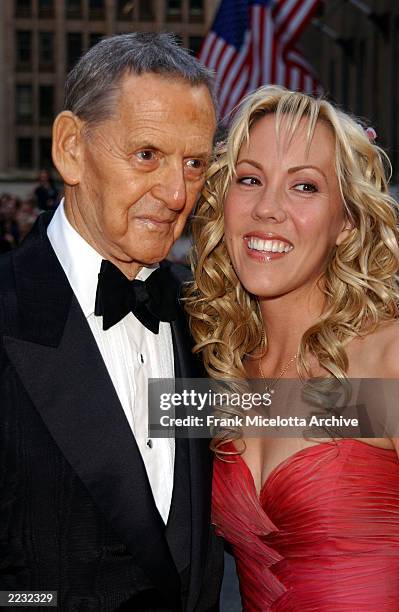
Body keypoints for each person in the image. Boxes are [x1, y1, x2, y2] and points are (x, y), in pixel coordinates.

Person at [0, 33, 223, 611]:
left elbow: (318, 416)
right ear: (72, 148)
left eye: (194, 163)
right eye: (147, 155)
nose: (177, 193)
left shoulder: (209, 318)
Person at [185, 85, 399, 610]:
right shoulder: (216, 371)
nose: (268, 209)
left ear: (346, 222)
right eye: (250, 179)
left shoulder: (386, 361)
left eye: (304, 186)